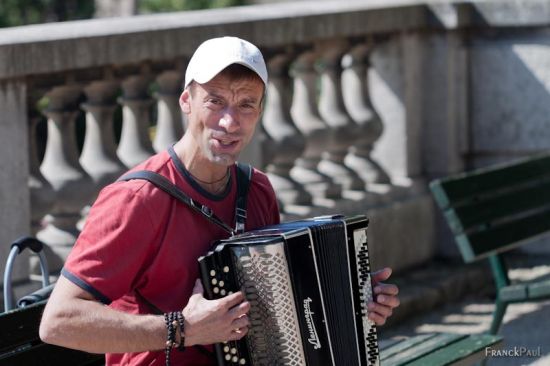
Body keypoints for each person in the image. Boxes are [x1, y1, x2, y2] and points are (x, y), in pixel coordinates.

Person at [39, 36, 400, 365]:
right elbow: (58, 322)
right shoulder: (136, 200)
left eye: (246, 104)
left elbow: (283, 306)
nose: (230, 122)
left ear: (259, 112)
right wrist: (183, 329)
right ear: (186, 101)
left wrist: (353, 304)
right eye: (215, 101)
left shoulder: (256, 189)